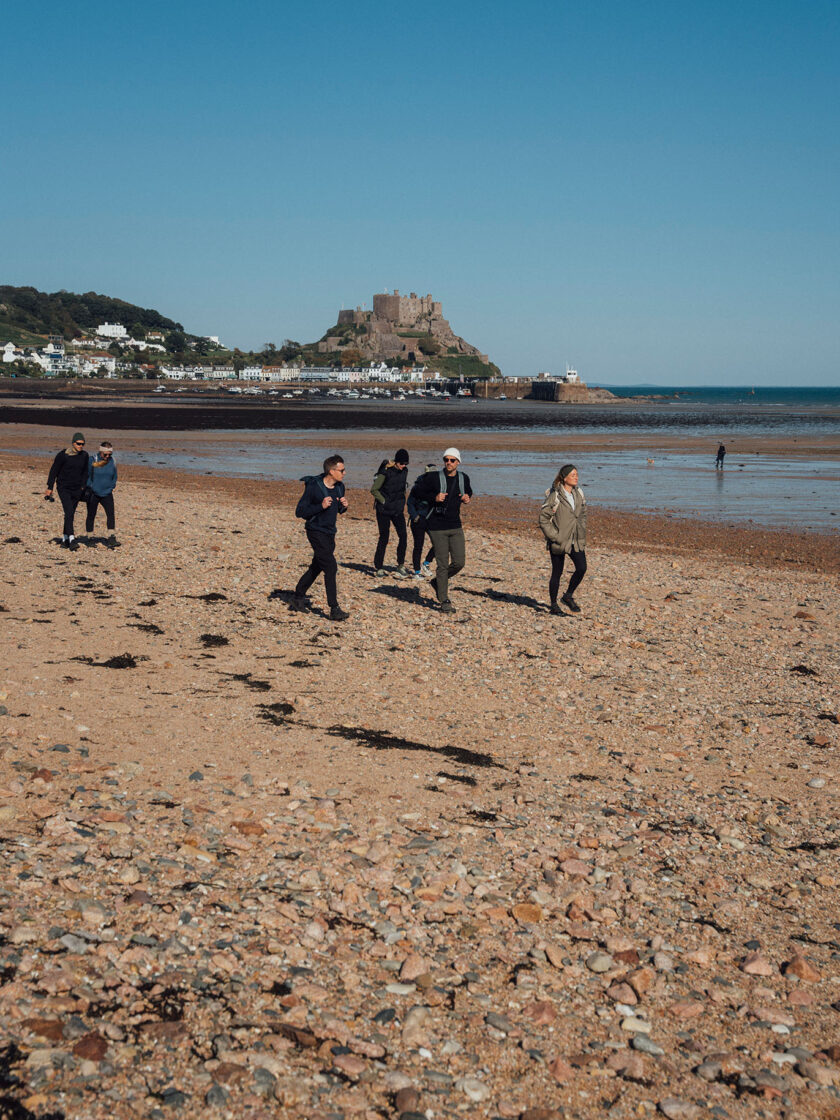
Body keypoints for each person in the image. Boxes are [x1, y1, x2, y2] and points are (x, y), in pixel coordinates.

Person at [410, 447, 472, 613]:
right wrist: (434, 498)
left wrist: (467, 498)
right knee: (442, 564)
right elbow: (416, 492)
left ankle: (437, 582)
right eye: (446, 460)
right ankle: (444, 600)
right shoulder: (433, 478)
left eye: (452, 460)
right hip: (437, 527)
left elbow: (469, 491)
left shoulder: (463, 478)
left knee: (459, 562)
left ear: (458, 462)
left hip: (455, 525)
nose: (448, 463)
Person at [291, 454, 350, 621]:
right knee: (331, 567)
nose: (344, 473)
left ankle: (297, 597)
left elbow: (337, 510)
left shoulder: (340, 487)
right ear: (331, 471)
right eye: (342, 470)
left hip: (330, 532)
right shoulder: (314, 487)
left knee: (317, 567)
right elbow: (300, 512)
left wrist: (344, 507)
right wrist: (320, 506)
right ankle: (334, 608)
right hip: (315, 531)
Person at [539, 463, 587, 615]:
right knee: (557, 573)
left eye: (577, 474)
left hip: (575, 539)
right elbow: (543, 518)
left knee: (582, 568)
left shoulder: (579, 493)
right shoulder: (555, 495)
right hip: (559, 541)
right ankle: (553, 605)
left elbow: (583, 514)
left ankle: (567, 596)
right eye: (573, 475)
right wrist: (554, 536)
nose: (576, 477)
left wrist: (582, 532)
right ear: (564, 477)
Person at [45, 432, 90, 550]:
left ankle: (65, 539)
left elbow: (86, 472)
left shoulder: (85, 456)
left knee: (70, 514)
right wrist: (50, 487)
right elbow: (53, 471)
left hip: (77, 489)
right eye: (79, 443)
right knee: (69, 511)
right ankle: (72, 539)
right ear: (73, 443)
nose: (81, 446)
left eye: (83, 444)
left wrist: (83, 487)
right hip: (63, 488)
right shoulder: (63, 455)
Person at [370, 448, 410, 577]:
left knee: (403, 536)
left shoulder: (405, 471)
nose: (404, 466)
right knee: (384, 537)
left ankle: (400, 565)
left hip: (397, 510)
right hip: (383, 510)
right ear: (397, 461)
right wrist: (383, 501)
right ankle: (379, 567)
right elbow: (374, 490)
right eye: (402, 463)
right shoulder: (385, 472)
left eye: (406, 464)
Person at [406, 463, 438, 580]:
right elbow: (410, 503)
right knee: (418, 546)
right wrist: (415, 517)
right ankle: (417, 571)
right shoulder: (417, 487)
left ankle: (426, 563)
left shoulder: (437, 487)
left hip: (431, 520)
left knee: (438, 543)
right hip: (418, 520)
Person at [85, 441, 119, 546]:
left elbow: (115, 475)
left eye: (110, 454)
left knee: (110, 514)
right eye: (105, 454)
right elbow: (87, 475)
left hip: (107, 493)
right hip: (93, 493)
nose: (107, 456)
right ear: (100, 452)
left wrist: (112, 486)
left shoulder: (112, 461)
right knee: (91, 515)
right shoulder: (93, 460)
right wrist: (90, 486)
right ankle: (90, 538)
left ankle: (111, 537)